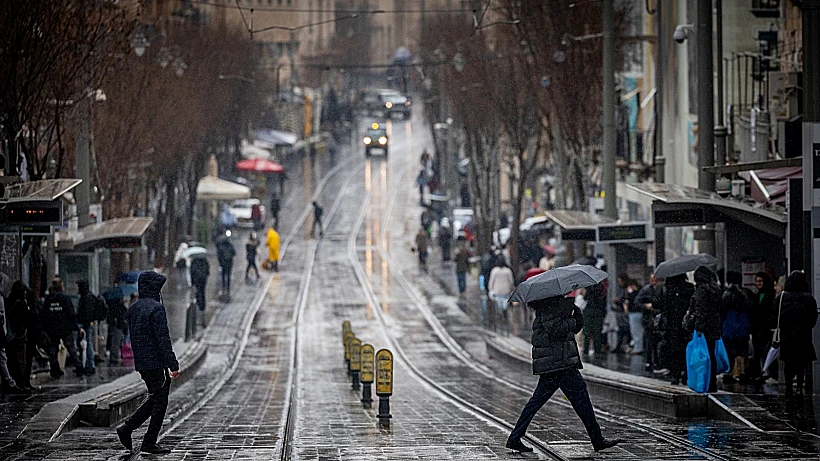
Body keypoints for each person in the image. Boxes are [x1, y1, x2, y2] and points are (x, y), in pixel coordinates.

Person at [506, 296, 621, 453]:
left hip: (557, 362)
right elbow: (556, 330)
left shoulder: (554, 306)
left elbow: (574, 328)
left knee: (538, 402)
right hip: (559, 364)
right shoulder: (549, 307)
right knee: (581, 400)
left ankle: (515, 438)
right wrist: (571, 318)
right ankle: (597, 439)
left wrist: (575, 313)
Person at [117, 271, 180, 455]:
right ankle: (148, 441)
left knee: (155, 398)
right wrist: (173, 364)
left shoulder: (134, 308)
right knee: (160, 402)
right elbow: (162, 339)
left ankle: (128, 428)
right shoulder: (156, 308)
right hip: (156, 363)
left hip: (142, 362)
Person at [773, 271, 818, 396]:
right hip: (803, 335)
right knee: (801, 362)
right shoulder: (808, 298)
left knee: (788, 362)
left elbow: (774, 314)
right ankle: (799, 385)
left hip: (787, 335)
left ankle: (788, 386)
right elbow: (813, 317)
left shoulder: (782, 297)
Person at [683, 266, 723, 393]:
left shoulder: (702, 290)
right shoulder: (716, 289)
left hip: (704, 328)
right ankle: (712, 383)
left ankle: (703, 382)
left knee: (702, 356)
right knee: (711, 354)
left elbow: (701, 310)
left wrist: (698, 328)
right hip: (714, 326)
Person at [656, 274, 695, 384]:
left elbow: (658, 304)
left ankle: (675, 375)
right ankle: (686, 374)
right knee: (685, 349)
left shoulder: (666, 289)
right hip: (686, 324)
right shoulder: (689, 288)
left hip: (671, 324)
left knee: (673, 350)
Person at [42, 277, 79, 378]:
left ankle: (55, 370)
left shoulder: (48, 299)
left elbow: (44, 314)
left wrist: (45, 327)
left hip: (52, 328)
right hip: (65, 328)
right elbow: (71, 313)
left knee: (53, 350)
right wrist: (74, 326)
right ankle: (79, 367)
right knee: (71, 348)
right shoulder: (65, 298)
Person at [720, 271, 753, 383]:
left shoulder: (725, 295)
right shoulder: (745, 294)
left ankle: (729, 373)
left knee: (729, 351)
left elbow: (722, 311)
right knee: (741, 350)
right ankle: (740, 372)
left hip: (728, 328)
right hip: (742, 327)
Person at [750, 271, 776, 381]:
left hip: (766, 328)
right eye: (757, 281)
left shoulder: (771, 295)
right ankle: (761, 372)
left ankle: (768, 372)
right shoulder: (756, 296)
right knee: (758, 352)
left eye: (760, 281)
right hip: (757, 328)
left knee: (766, 351)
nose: (758, 283)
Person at [76, 280, 105, 375]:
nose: (76, 289)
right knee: (84, 343)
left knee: (87, 343)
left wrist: (84, 325)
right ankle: (85, 363)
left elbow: (86, 313)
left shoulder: (86, 298)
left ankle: (89, 364)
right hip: (86, 323)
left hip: (85, 324)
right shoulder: (88, 297)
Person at [636, 274, 662, 370]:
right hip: (649, 319)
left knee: (655, 341)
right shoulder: (646, 290)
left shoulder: (660, 289)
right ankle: (649, 361)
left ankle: (656, 361)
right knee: (649, 341)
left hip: (658, 318)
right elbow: (637, 302)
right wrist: (646, 306)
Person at [104, 285, 129, 365]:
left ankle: (114, 356)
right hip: (118, 325)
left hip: (115, 324)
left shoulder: (111, 306)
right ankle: (114, 357)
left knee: (114, 341)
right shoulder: (119, 306)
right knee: (116, 341)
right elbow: (123, 314)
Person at [582, 282, 607, 356]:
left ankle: (586, 350)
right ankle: (597, 350)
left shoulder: (589, 287)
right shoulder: (602, 288)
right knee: (597, 332)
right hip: (598, 311)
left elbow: (585, 298)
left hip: (589, 310)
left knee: (587, 332)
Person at [624, 279, 644, 354]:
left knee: (636, 331)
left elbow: (632, 301)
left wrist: (629, 294)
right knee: (636, 331)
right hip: (635, 313)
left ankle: (638, 348)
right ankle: (637, 347)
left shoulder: (635, 293)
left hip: (635, 313)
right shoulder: (640, 292)